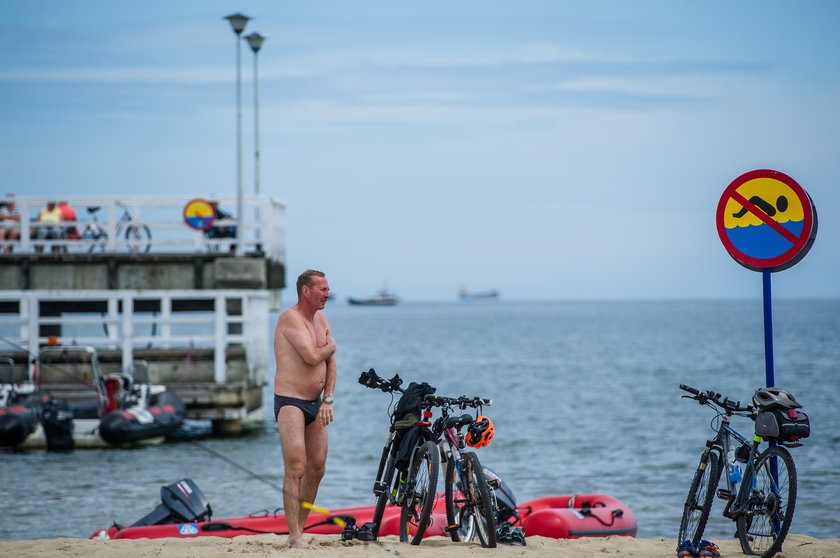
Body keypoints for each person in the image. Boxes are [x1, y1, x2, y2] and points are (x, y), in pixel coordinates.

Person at [273, 269, 336, 548]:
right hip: (291, 401)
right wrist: (330, 345)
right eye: (322, 289)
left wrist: (328, 398)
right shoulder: (290, 318)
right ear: (305, 291)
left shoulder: (321, 319)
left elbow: (330, 364)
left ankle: (299, 528)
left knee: (317, 468)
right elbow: (312, 357)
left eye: (327, 289)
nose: (327, 294)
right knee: (296, 466)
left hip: (317, 403)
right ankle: (295, 536)